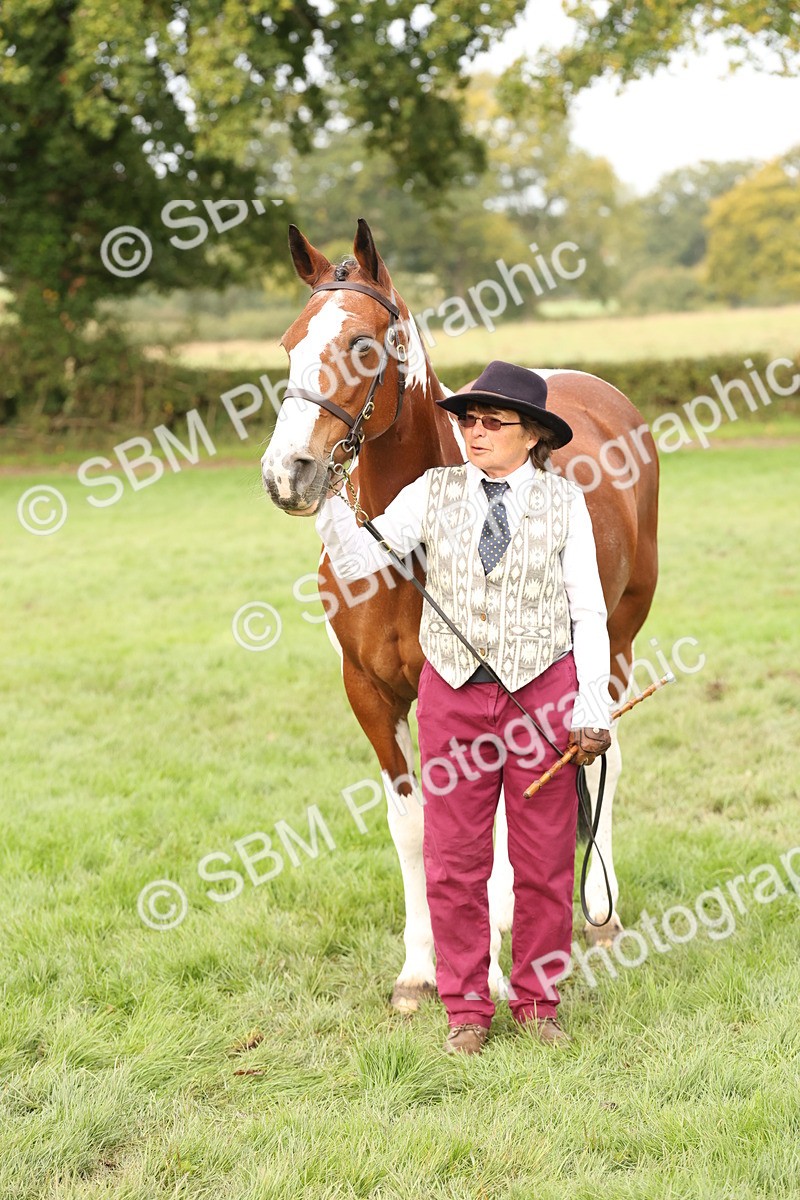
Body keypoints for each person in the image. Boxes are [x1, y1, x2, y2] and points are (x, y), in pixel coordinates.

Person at [315, 360, 612, 1055]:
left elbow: (589, 612)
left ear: (532, 434)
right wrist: (330, 502)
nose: (473, 432)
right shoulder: (431, 492)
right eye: (467, 420)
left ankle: (539, 1005)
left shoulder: (565, 504)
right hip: (450, 696)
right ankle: (466, 1011)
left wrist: (591, 702)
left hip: (544, 694)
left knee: (541, 859)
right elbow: (361, 561)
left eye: (491, 422)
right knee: (453, 859)